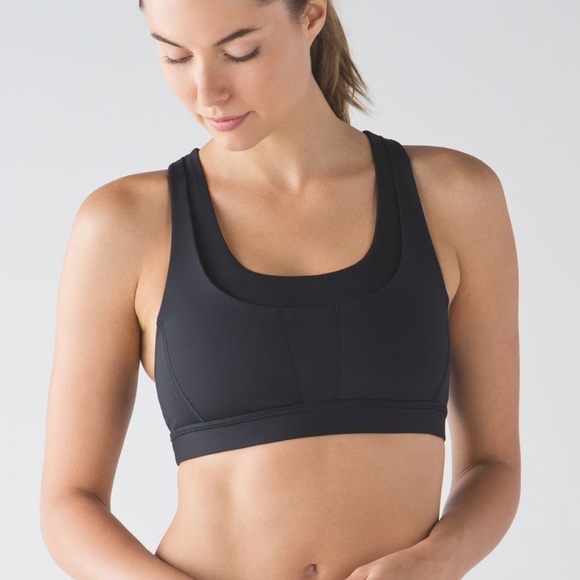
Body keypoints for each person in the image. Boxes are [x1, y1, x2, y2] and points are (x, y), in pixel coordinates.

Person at [40, 0, 521, 578]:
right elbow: (69, 502)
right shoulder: (124, 224)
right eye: (176, 56)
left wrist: (435, 562)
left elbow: (493, 463)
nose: (207, 92)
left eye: (240, 51)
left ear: (311, 14)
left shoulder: (455, 197)